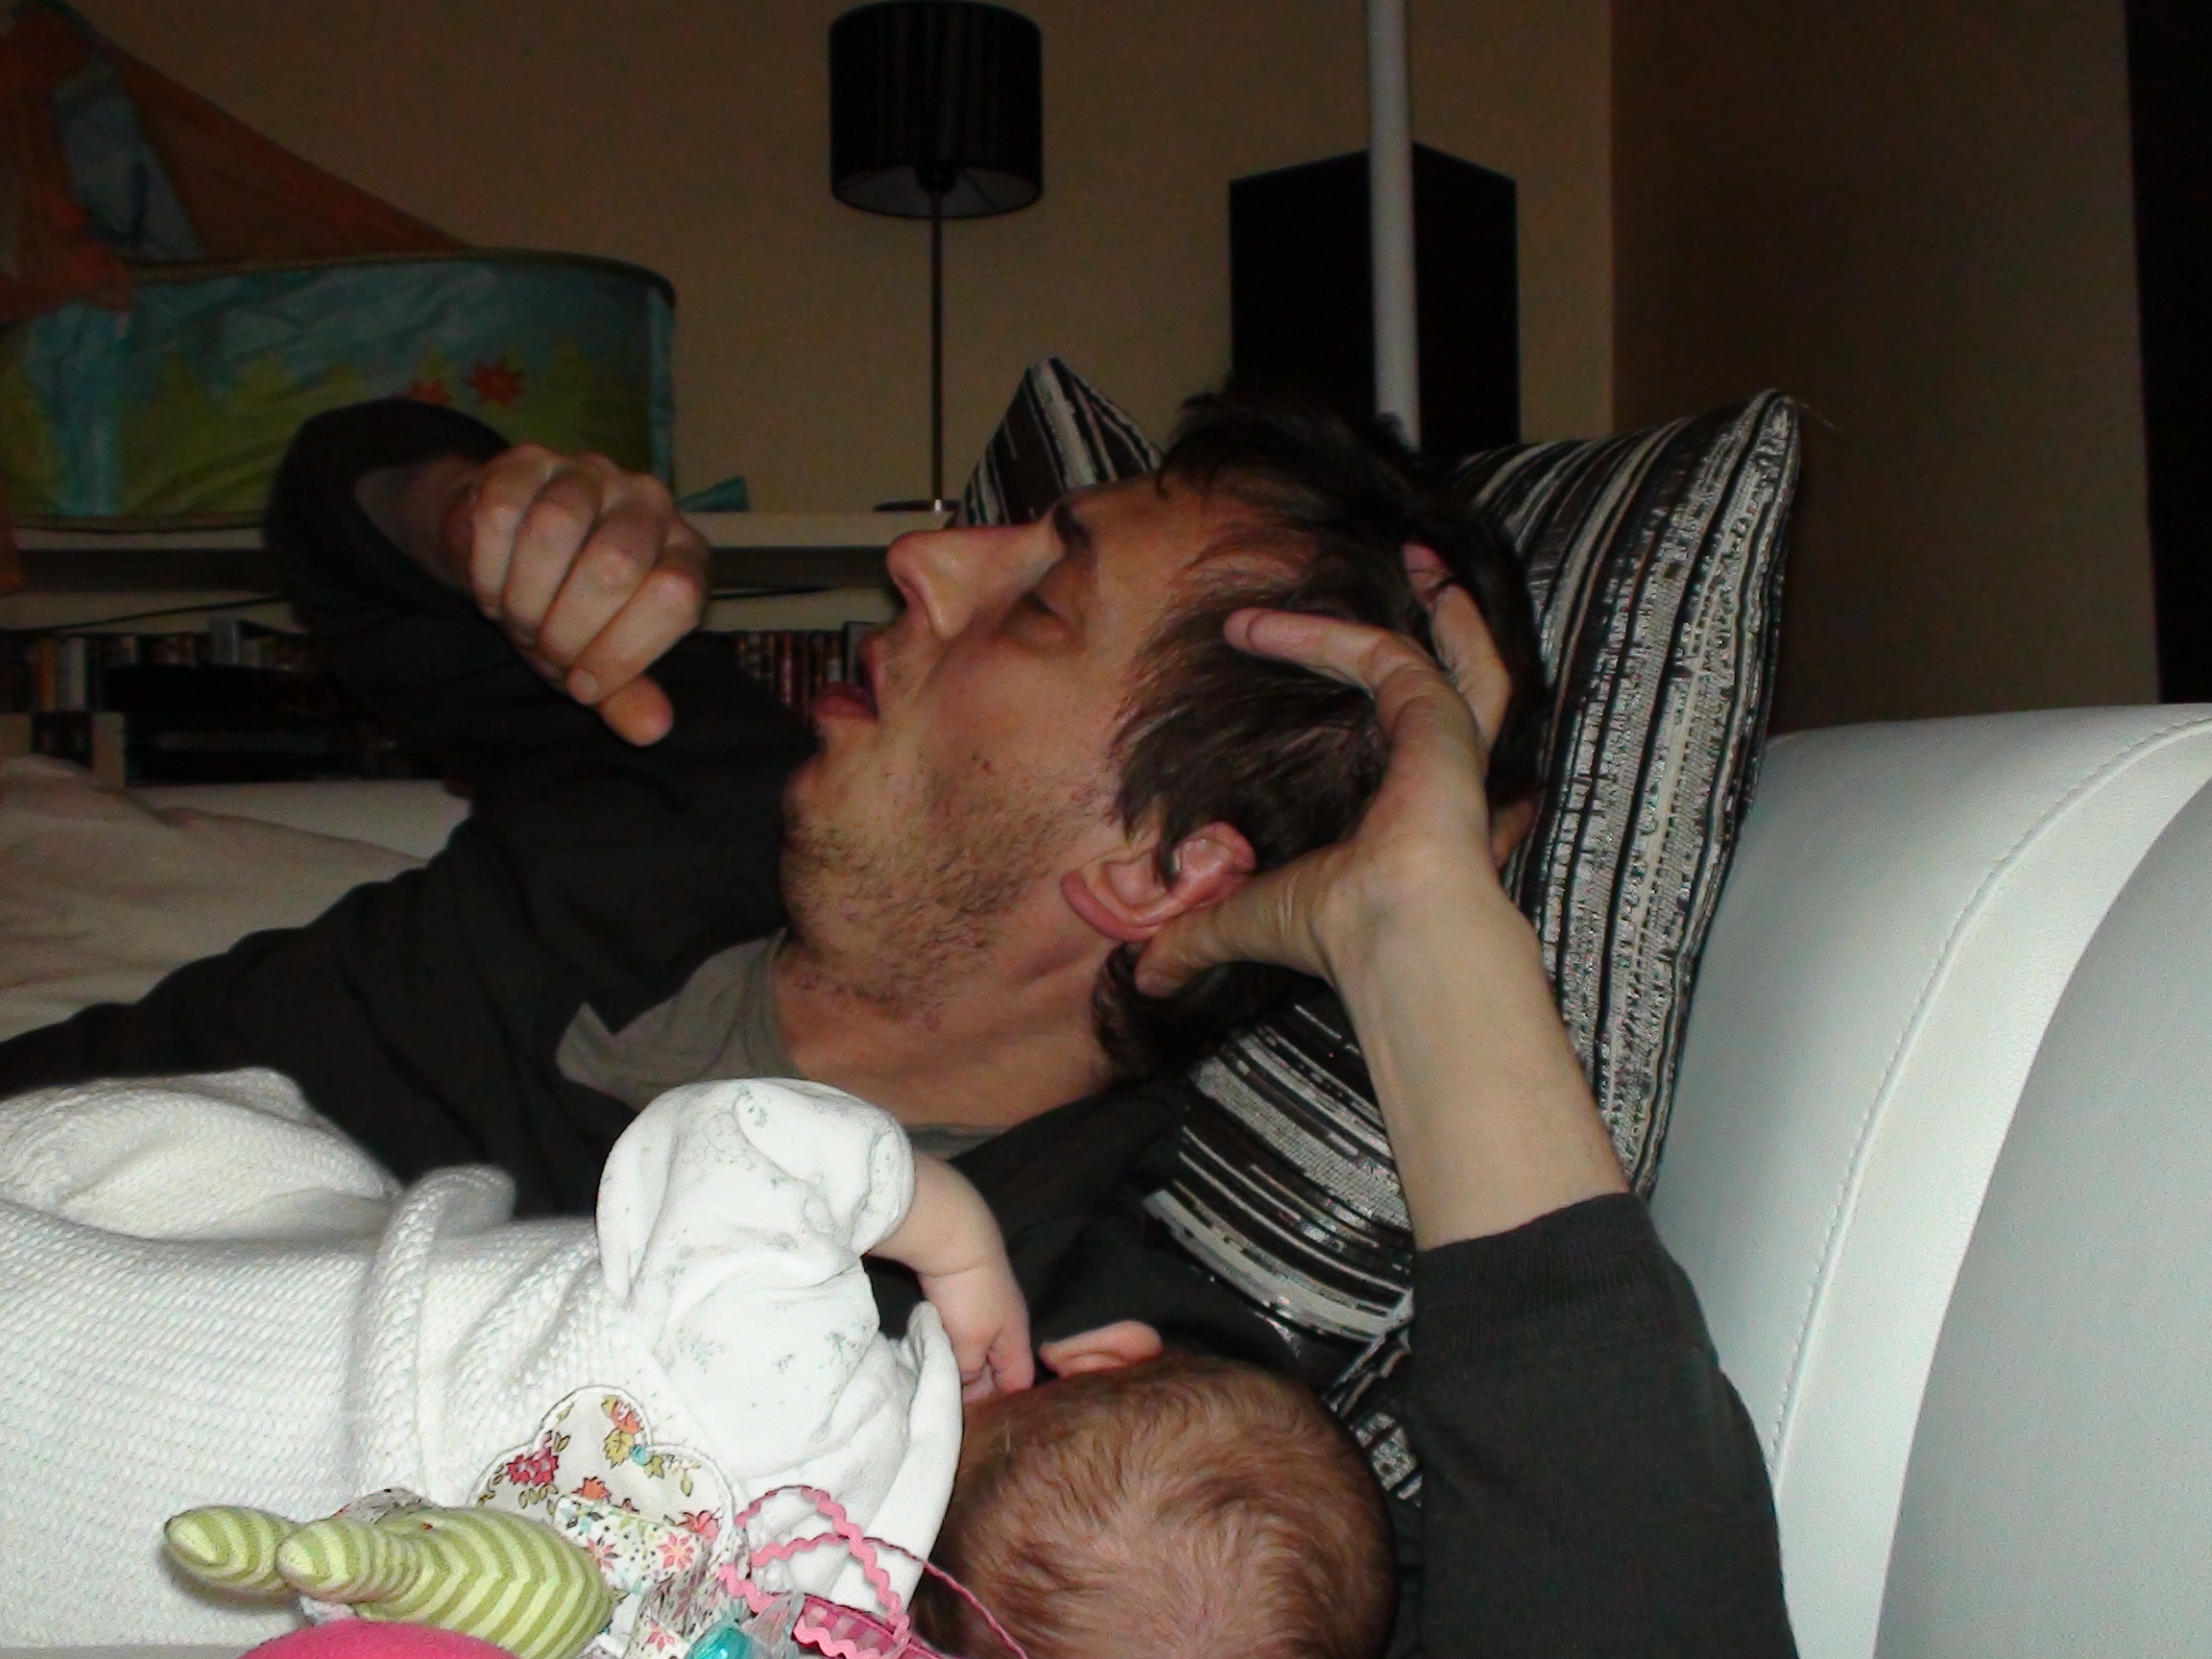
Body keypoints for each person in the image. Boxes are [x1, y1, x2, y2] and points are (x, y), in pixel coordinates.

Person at [0, 393, 1796, 1655]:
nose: (923, 560)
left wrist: (1425, 937)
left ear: (1161, 870)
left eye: (1044, 599)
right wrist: (479, 513)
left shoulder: (1036, 1374)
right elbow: (337, 515)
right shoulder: (691, 778)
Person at [0, 1067, 1390, 1659]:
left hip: (183, 1341)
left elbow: (738, 1137)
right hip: (139, 1589)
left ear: (1102, 1357)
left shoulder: (799, 1354)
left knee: (231, 1154)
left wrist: (955, 1235)